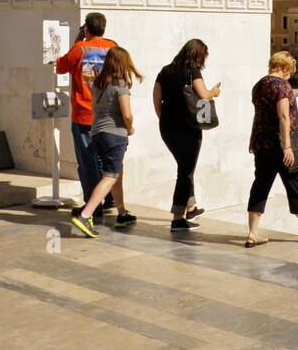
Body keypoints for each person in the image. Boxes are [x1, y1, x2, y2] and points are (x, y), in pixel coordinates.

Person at [246, 52, 298, 247]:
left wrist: (253, 141)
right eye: (289, 72)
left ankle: (252, 233)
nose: (290, 76)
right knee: (294, 187)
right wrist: (288, 147)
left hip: (261, 144)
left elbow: (259, 116)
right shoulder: (282, 86)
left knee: (260, 187)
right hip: (280, 146)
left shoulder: (258, 86)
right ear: (284, 68)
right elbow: (283, 117)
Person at [70, 46, 142, 237]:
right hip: (115, 134)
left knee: (115, 172)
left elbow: (94, 108)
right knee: (110, 176)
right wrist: (130, 128)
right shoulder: (121, 85)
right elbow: (127, 115)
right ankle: (85, 215)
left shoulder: (98, 84)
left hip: (97, 132)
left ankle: (122, 213)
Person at [154, 39, 221, 232]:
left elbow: (156, 99)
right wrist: (214, 92)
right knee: (186, 171)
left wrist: (164, 119)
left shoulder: (165, 70)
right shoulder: (192, 71)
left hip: (167, 127)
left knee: (184, 166)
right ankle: (177, 218)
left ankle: (191, 207)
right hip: (188, 127)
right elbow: (203, 94)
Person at [56, 13, 116, 215]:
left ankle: (92, 205)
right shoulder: (113, 47)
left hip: (84, 114)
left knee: (88, 161)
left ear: (86, 29)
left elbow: (61, 67)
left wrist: (76, 41)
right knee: (105, 159)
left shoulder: (79, 49)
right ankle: (108, 198)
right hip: (108, 114)